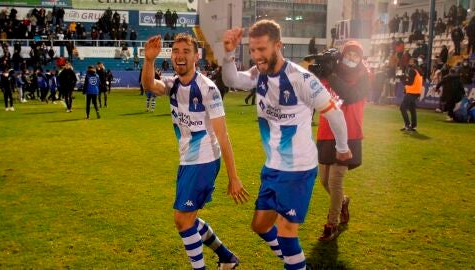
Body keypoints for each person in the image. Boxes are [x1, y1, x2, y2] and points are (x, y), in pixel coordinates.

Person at [222, 20, 352, 269]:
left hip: (298, 168)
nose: (256, 56)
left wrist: (342, 148)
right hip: (273, 167)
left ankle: (296, 264)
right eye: (252, 50)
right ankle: (298, 264)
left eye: (262, 49)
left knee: (286, 231)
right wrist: (228, 53)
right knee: (259, 226)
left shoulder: (300, 78)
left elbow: (334, 112)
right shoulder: (258, 74)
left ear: (278, 46)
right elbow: (231, 80)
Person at [141, 33, 249, 270]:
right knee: (188, 218)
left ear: (196, 57)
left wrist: (233, 177)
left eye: (186, 51)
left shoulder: (208, 89)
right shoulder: (173, 85)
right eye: (176, 51)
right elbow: (149, 85)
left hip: (204, 160)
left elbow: (223, 135)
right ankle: (227, 258)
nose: (180, 56)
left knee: (182, 220)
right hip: (187, 160)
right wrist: (148, 61)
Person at [316, 40, 369, 241]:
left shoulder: (364, 76)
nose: (352, 58)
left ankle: (332, 224)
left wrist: (329, 74)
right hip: (326, 131)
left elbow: (349, 95)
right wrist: (320, 72)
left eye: (356, 55)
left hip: (350, 133)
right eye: (349, 54)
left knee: (335, 180)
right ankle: (344, 202)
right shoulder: (330, 73)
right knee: (324, 181)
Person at [399, 58, 423, 131]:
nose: (409, 63)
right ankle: (413, 126)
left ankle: (407, 125)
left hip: (411, 92)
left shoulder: (412, 70)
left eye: (411, 62)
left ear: (414, 63)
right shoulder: (419, 70)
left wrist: (402, 79)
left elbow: (410, 82)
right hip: (417, 92)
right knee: (412, 109)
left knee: (402, 107)